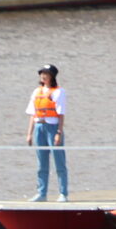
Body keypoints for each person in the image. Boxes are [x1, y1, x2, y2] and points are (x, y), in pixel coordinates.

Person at [25, 64, 68, 202]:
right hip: (39, 127)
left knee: (59, 161)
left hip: (52, 126)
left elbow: (61, 114)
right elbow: (32, 114)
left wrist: (58, 133)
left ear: (52, 76)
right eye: (42, 74)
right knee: (41, 163)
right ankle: (41, 193)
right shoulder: (36, 91)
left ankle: (63, 193)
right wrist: (29, 134)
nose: (43, 76)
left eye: (47, 74)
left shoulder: (58, 92)